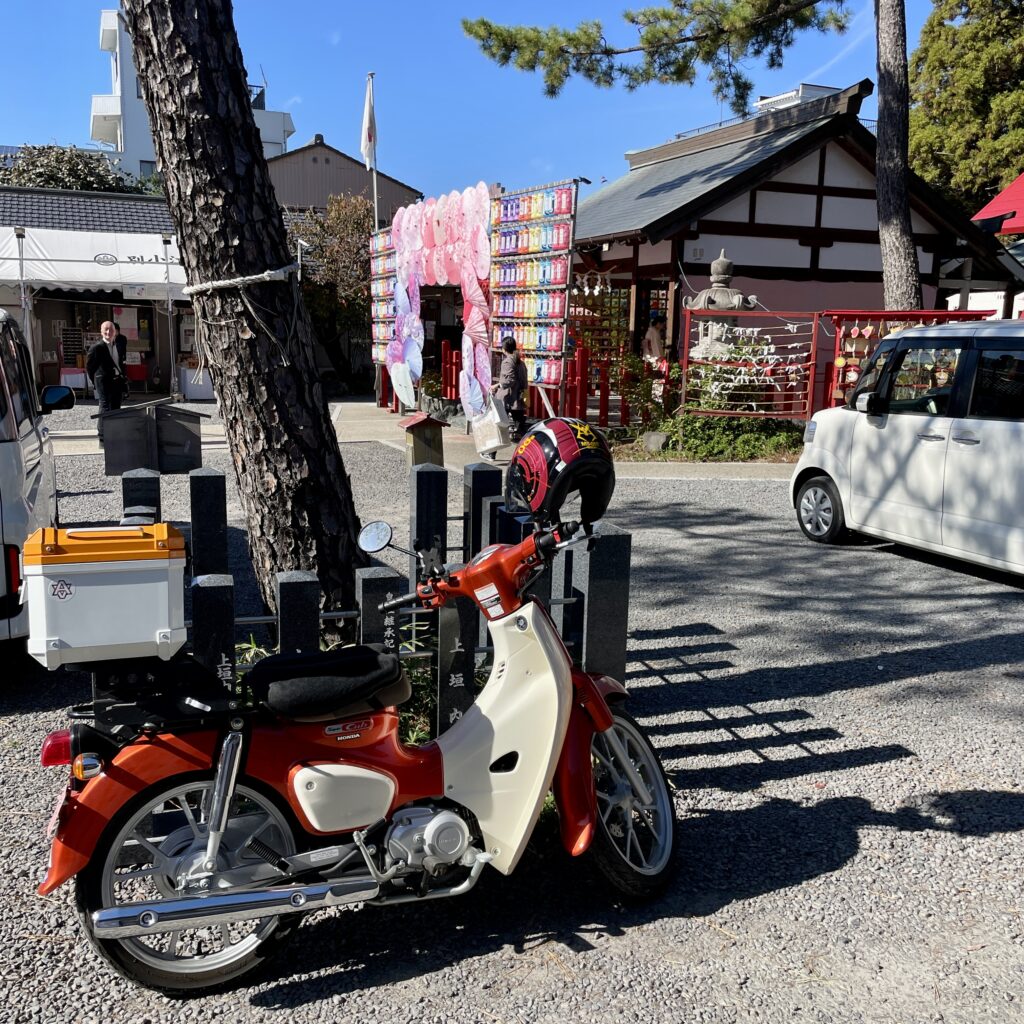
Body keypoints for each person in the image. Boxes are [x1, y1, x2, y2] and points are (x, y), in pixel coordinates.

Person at [86, 321, 125, 442]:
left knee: (116, 405)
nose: (108, 332)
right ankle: (102, 433)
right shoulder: (97, 347)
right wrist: (96, 381)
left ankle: (115, 431)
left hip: (117, 379)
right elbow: (90, 367)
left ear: (115, 331)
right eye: (106, 330)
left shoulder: (118, 345)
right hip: (103, 380)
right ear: (101, 332)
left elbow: (120, 362)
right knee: (105, 405)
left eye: (111, 330)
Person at [492, 336, 528, 442]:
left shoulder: (508, 362)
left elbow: (509, 381)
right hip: (518, 400)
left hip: (508, 399)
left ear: (504, 349)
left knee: (499, 425)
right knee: (521, 429)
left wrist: (497, 385)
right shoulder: (520, 362)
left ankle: (491, 453)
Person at [112, 322, 129, 399]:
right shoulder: (110, 338)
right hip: (112, 360)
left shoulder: (122, 338)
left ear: (118, 330)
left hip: (120, 360)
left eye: (114, 330)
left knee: (122, 376)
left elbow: (121, 349)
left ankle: (125, 392)